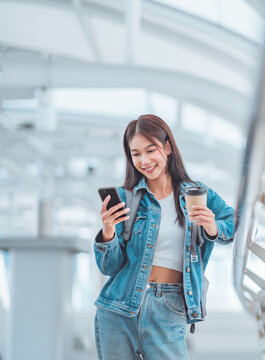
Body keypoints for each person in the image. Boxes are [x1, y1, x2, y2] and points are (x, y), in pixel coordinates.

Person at [93, 114, 235, 359]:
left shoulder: (197, 193)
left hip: (170, 306)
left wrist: (212, 227)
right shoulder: (127, 198)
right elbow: (109, 267)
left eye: (151, 150)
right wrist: (107, 233)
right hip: (118, 308)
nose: (144, 160)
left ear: (167, 147)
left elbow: (238, 225)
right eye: (135, 154)